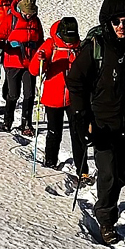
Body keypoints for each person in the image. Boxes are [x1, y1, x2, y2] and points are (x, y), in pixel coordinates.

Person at [65, 0, 125, 245]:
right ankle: (106, 220)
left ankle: (107, 204)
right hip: (101, 124)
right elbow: (76, 81)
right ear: (108, 22)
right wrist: (83, 116)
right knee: (109, 175)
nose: (122, 27)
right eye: (116, 22)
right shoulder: (97, 47)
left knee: (120, 175)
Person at [28, 17, 87, 173]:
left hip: (74, 97)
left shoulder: (78, 47)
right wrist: (42, 60)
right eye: (67, 40)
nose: (69, 43)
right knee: (54, 132)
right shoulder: (50, 44)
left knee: (77, 133)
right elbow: (34, 70)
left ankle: (82, 169)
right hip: (53, 97)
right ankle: (50, 162)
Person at [0, 0, 44, 135]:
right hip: (13, 62)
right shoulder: (11, 19)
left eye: (31, 13)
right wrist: (0, 44)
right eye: (26, 13)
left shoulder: (36, 22)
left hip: (30, 63)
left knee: (29, 94)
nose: (28, 16)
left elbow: (40, 40)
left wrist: (41, 53)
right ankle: (7, 122)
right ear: (21, 9)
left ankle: (26, 124)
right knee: (13, 93)